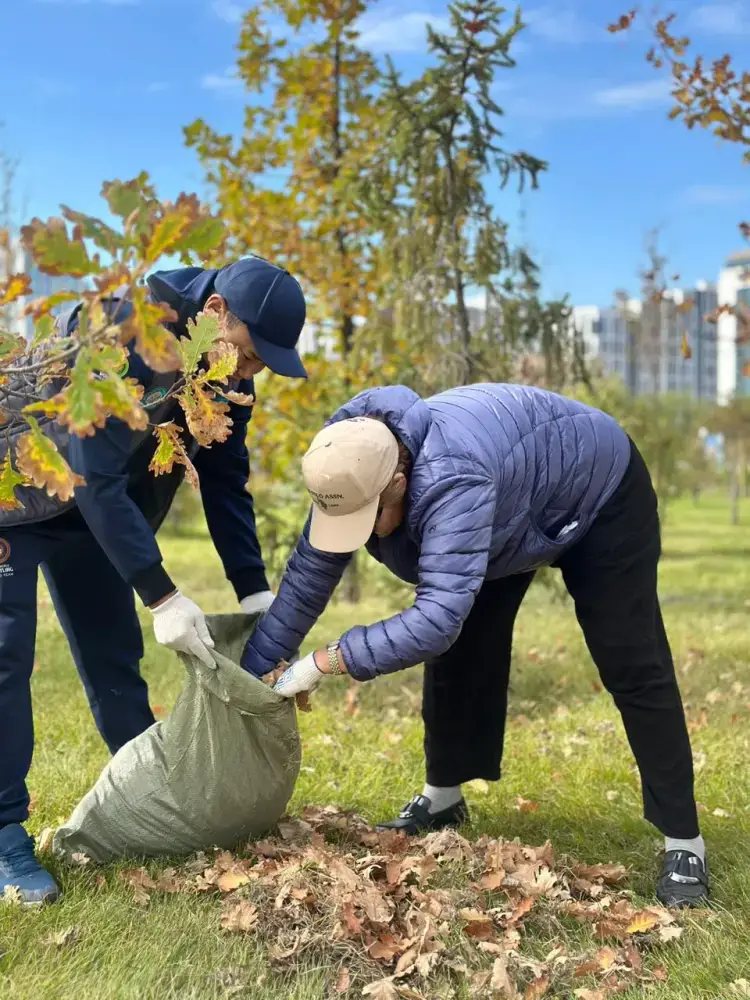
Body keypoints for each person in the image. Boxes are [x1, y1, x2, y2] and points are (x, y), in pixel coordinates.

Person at [241, 383, 709, 909]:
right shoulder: (346, 466)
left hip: (597, 493)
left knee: (631, 659)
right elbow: (306, 583)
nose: (359, 534)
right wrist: (248, 680)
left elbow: (436, 618)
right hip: (513, 501)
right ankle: (444, 799)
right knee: (462, 653)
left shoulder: (451, 480)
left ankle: (684, 841)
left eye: (368, 518)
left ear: (398, 480)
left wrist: (323, 662)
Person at [0, 256, 307, 903]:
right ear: (217, 312)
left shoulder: (223, 375)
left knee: (118, 662)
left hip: (92, 516)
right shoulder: (124, 332)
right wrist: (162, 594)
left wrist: (254, 588)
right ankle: (5, 840)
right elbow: (97, 473)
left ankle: (146, 807)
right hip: (17, 496)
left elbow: (224, 478)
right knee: (6, 658)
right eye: (251, 356)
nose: (251, 374)